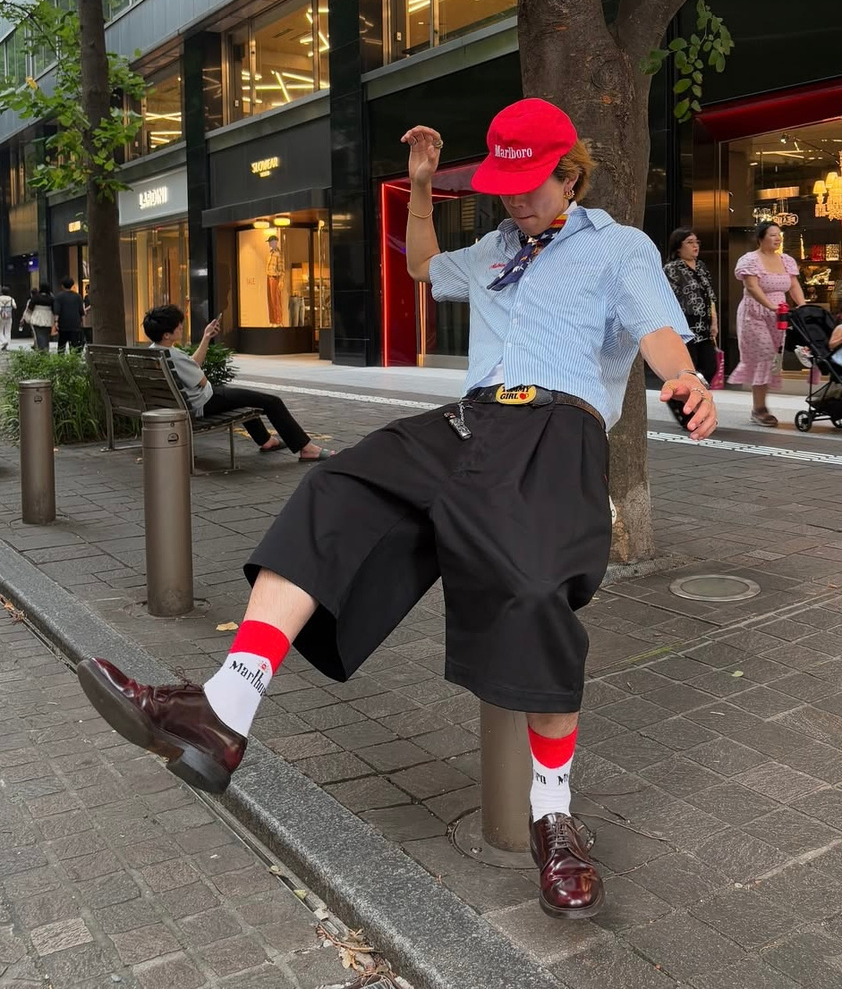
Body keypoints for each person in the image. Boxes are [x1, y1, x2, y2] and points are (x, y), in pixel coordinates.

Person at [76, 98, 717, 923]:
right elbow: (420, 265)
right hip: (470, 421)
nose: (516, 200)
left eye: (531, 184)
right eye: (504, 186)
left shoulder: (617, 246)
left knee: (535, 593)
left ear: (570, 175)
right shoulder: (492, 249)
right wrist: (418, 187)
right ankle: (224, 706)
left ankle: (552, 812)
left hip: (558, 429)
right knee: (336, 488)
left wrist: (682, 377)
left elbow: (656, 331)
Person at [141, 304, 328, 460]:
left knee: (244, 398)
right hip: (203, 402)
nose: (181, 327)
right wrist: (199, 374)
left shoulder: (154, 350)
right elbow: (202, 381)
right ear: (167, 335)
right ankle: (306, 449)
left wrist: (206, 337)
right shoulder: (172, 355)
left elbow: (193, 365)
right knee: (272, 402)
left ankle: (266, 441)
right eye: (178, 325)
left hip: (188, 403)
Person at [728, 221, 806, 427]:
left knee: (772, 358)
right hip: (755, 313)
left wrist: (804, 307)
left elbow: (794, 286)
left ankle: (760, 405)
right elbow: (752, 287)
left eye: (779, 234)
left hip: (779, 316)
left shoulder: (786, 260)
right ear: (760, 238)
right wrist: (770, 306)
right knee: (763, 355)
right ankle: (759, 408)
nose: (777, 238)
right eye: (772, 235)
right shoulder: (750, 260)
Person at [662, 228, 718, 383]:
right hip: (684, 325)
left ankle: (697, 390)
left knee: (710, 366)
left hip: (704, 325)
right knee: (688, 367)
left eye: (697, 242)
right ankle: (688, 394)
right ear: (678, 247)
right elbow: (669, 299)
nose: (695, 246)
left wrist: (714, 321)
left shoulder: (701, 267)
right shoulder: (672, 269)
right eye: (689, 242)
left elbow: (710, 295)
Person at [53, 276, 85, 352]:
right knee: (74, 345)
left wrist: (56, 322)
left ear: (62, 286)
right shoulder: (78, 296)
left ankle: (61, 358)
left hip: (63, 324)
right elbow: (81, 311)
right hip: (75, 323)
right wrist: (82, 323)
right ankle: (74, 358)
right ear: (72, 285)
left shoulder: (59, 296)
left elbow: (57, 310)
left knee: (61, 344)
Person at [26, 284, 55, 351]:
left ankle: (41, 349)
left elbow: (30, 308)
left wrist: (27, 317)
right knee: (46, 335)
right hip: (48, 318)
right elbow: (54, 309)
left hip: (37, 317)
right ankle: (46, 348)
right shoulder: (51, 298)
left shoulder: (35, 297)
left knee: (39, 335)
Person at [266, 235, 284, 326]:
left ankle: (278, 320)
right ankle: (272, 320)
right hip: (269, 277)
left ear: (275, 242)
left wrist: (281, 280)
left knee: (276, 300)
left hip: (275, 278)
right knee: (270, 301)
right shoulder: (270, 253)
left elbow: (281, 269)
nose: (269, 243)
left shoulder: (278, 254)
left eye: (270, 242)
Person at [0, 286, 16, 351]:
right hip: (9, 316)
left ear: (1, 292)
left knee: (0, 330)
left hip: (0, 315)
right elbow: (15, 306)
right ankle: (6, 346)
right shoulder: (11, 299)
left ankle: (4, 341)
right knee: (8, 331)